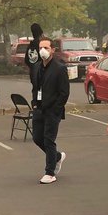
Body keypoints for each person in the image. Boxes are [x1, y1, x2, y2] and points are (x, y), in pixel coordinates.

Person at [34, 35, 69, 184]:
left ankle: (50, 172)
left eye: (46, 48)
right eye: (40, 48)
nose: (43, 50)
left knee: (48, 140)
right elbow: (35, 87)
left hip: (52, 111)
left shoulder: (60, 69)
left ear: (52, 50)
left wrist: (56, 108)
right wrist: (35, 103)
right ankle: (58, 157)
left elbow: (64, 93)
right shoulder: (37, 67)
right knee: (37, 138)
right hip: (39, 109)